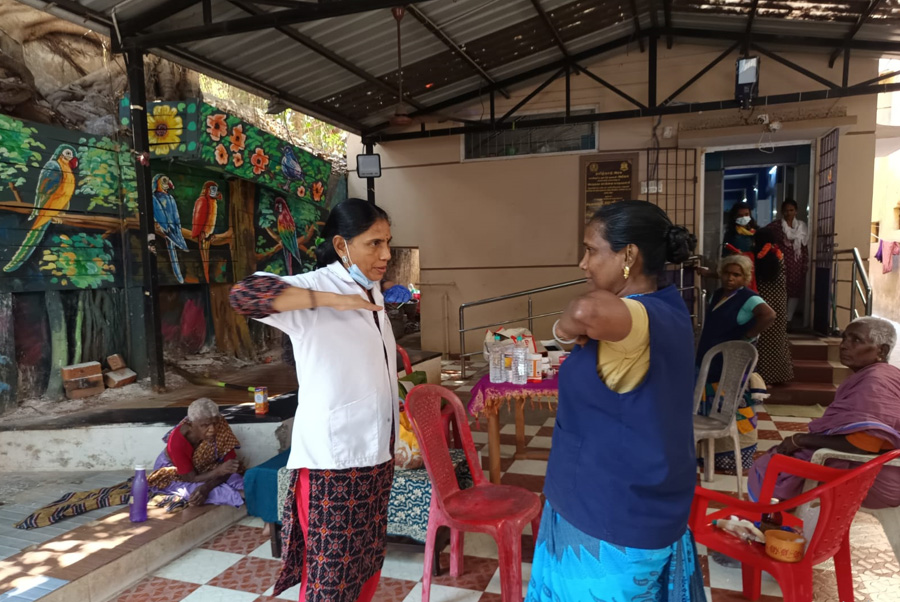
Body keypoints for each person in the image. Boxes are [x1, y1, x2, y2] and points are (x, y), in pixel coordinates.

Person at [526, 201, 705, 602]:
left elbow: (585, 309)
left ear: (628, 256)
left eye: (591, 250)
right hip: (627, 500)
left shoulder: (638, 317)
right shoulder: (668, 306)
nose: (583, 263)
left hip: (609, 516)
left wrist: (563, 329)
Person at [229, 198, 396, 602]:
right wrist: (335, 300)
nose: (386, 255)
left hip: (378, 455)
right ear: (341, 245)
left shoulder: (370, 289)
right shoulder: (316, 288)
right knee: (330, 579)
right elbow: (243, 295)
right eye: (374, 243)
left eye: (388, 242)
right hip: (333, 464)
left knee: (365, 565)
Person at [748, 317, 900, 509]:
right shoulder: (881, 374)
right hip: (871, 466)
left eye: (856, 340)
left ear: (882, 351)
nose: (844, 345)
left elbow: (863, 444)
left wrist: (800, 439)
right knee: (779, 459)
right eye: (844, 338)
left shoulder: (876, 382)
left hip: (877, 476)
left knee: (774, 467)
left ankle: (774, 517)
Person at [695, 255, 776, 474]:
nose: (730, 278)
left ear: (745, 277)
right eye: (727, 274)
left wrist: (747, 336)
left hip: (730, 365)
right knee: (708, 409)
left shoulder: (749, 298)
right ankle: (708, 455)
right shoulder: (719, 294)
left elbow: (769, 315)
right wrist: (707, 272)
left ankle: (733, 457)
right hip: (711, 360)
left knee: (732, 410)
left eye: (736, 275)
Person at [147, 397, 244, 509]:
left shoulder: (221, 426)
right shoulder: (178, 441)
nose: (212, 429)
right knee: (201, 492)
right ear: (191, 425)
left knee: (236, 479)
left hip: (209, 469)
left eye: (214, 423)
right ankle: (242, 497)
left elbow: (229, 468)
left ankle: (245, 494)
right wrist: (217, 473)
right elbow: (190, 478)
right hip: (177, 474)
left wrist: (207, 487)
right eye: (205, 425)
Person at [753, 228, 793, 385]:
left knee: (762, 342)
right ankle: (779, 376)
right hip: (779, 303)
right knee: (778, 340)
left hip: (762, 304)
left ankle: (762, 377)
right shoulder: (778, 255)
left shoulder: (755, 257)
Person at [766, 199, 809, 324]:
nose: (788, 213)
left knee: (795, 290)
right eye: (786, 211)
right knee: (780, 289)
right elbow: (764, 236)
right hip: (780, 262)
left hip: (797, 263)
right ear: (781, 212)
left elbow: (804, 247)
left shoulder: (802, 227)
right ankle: (778, 318)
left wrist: (805, 263)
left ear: (796, 211)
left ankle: (788, 319)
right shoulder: (776, 226)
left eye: (791, 210)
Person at [722, 203, 758, 290]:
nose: (744, 218)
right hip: (738, 270)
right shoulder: (731, 234)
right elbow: (725, 255)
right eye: (740, 215)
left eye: (746, 214)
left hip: (755, 270)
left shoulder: (755, 232)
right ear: (735, 217)